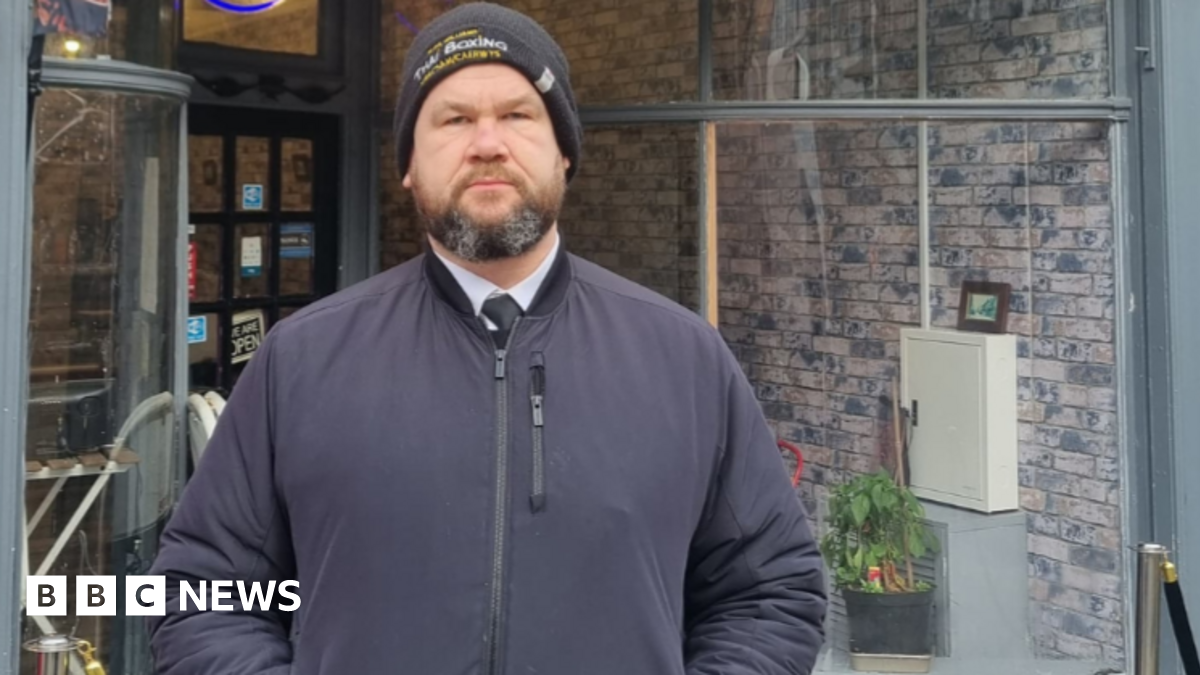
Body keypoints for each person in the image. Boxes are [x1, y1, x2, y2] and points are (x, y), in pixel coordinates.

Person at [147, 3, 827, 673]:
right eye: (454, 119)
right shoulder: (301, 359)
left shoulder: (683, 359)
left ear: (565, 151)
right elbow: (200, 591)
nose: (487, 143)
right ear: (408, 162)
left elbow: (769, 593)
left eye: (518, 115)